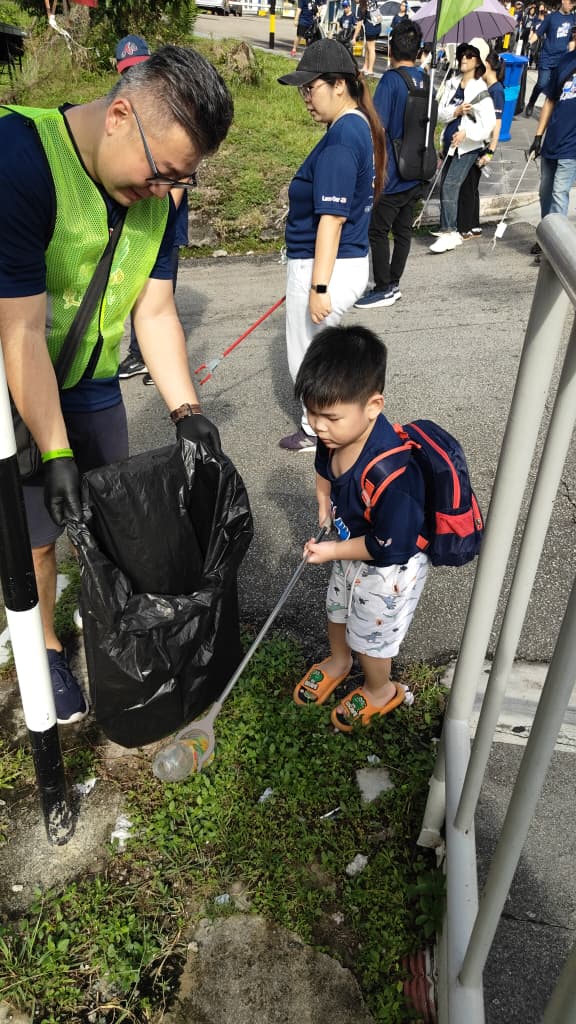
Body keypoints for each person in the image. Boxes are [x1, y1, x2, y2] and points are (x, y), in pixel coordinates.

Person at [0, 46, 233, 723]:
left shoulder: (163, 193)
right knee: (37, 534)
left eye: (179, 180)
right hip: (15, 379)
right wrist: (55, 450)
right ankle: (42, 645)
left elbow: (154, 311)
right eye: (159, 173)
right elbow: (20, 333)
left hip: (94, 381)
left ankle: (113, 636)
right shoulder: (22, 161)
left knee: (111, 520)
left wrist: (186, 409)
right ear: (119, 115)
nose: (163, 192)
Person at [291, 324, 428, 731]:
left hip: (389, 567)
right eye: (311, 413)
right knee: (336, 609)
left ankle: (380, 688)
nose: (318, 426)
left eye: (329, 416)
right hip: (352, 546)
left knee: (371, 636)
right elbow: (324, 471)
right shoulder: (333, 436)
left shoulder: (392, 475)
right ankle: (337, 660)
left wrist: (331, 551)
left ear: (373, 406)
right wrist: (323, 499)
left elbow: (388, 547)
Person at [276, 38, 386, 451]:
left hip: (327, 264)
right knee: (322, 354)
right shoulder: (356, 126)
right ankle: (333, 426)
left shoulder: (343, 138)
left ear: (339, 85)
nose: (306, 97)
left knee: (308, 359)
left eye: (311, 87)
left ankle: (322, 432)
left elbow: (332, 219)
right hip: (342, 261)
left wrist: (319, 286)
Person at [114, 35, 192, 386]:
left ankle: (149, 356)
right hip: (136, 219)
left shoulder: (171, 116)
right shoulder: (120, 115)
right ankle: (140, 352)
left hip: (163, 223)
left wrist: (159, 219)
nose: (135, 78)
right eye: (129, 72)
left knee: (157, 293)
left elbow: (174, 185)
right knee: (134, 288)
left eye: (141, 70)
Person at [354, 19, 426, 309]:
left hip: (394, 173)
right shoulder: (426, 80)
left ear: (390, 50)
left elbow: (376, 124)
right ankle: (394, 282)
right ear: (418, 50)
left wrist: (362, 94)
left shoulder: (392, 81)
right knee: (404, 231)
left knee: (378, 230)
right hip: (417, 168)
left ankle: (383, 286)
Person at [430, 40, 495, 254]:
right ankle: (450, 229)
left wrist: (468, 133)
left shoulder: (480, 89)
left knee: (450, 185)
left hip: (467, 147)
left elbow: (489, 124)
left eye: (468, 55)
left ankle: (449, 231)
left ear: (477, 61)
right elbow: (439, 113)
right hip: (448, 144)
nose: (463, 59)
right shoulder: (452, 83)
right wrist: (456, 111)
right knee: (445, 184)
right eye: (461, 55)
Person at [528, 44, 576, 259]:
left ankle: (556, 251)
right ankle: (547, 236)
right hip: (553, 139)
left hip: (572, 146)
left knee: (559, 192)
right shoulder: (566, 61)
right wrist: (538, 136)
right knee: (545, 192)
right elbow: (550, 100)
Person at [457, 47, 505, 239]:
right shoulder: (487, 88)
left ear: (487, 65)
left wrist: (491, 151)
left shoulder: (496, 91)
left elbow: (497, 123)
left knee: (467, 186)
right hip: (479, 141)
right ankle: (474, 225)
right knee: (471, 185)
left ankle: (465, 227)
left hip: (482, 144)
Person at [525, 0, 576, 116]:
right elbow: (538, 33)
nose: (571, 5)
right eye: (570, 2)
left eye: (573, 4)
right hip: (547, 57)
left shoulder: (573, 19)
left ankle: (549, 113)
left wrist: (571, 57)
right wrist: (529, 43)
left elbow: (572, 40)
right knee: (542, 84)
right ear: (563, 1)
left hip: (561, 59)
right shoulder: (551, 18)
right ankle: (532, 102)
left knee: (556, 88)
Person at [352, 0, 382, 76]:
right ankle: (365, 66)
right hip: (378, 26)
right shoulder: (371, 1)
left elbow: (359, 25)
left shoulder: (361, 7)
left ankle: (370, 70)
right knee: (367, 47)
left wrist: (354, 37)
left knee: (371, 48)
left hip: (371, 28)